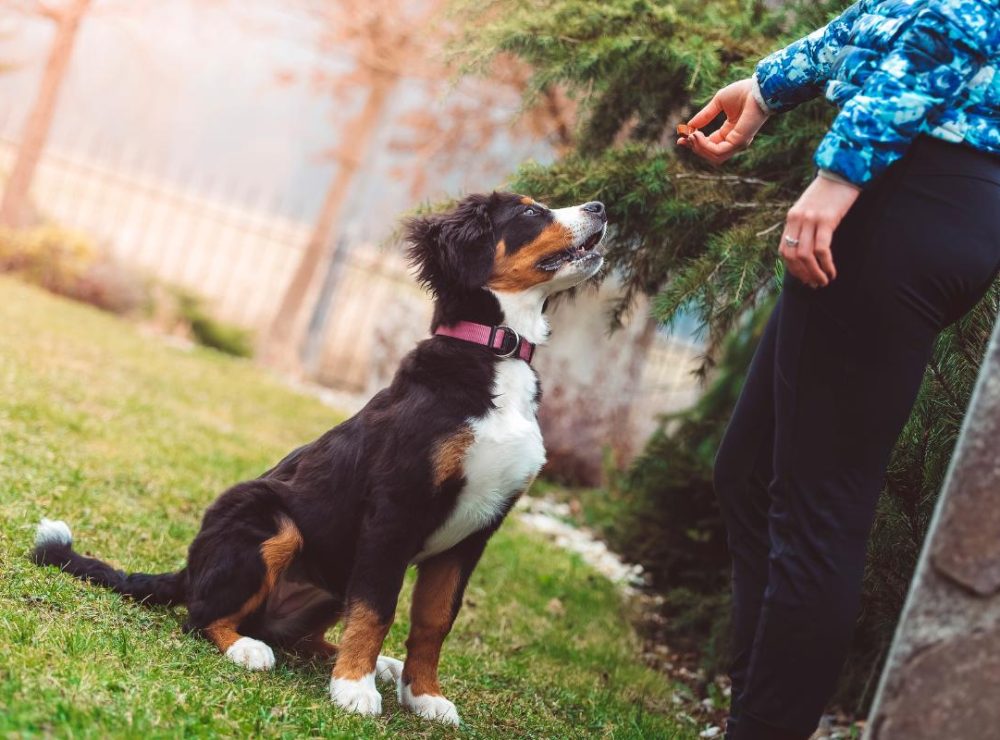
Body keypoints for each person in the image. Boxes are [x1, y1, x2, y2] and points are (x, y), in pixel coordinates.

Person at [679, 1, 1000, 738]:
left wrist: (843, 170)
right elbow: (895, 12)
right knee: (752, 473)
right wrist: (765, 89)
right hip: (922, 190)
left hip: (913, 189)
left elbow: (950, 26)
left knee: (818, 508)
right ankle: (753, 718)